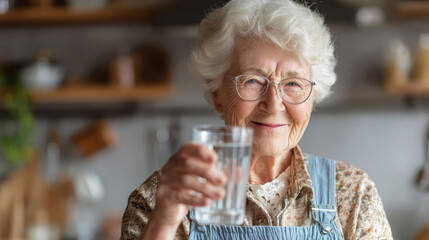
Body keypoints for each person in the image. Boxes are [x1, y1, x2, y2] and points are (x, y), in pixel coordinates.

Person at [120, 0, 393, 239]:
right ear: (217, 94)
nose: (274, 104)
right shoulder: (157, 200)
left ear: (313, 97)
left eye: (293, 84)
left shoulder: (353, 194)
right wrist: (164, 221)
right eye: (252, 80)